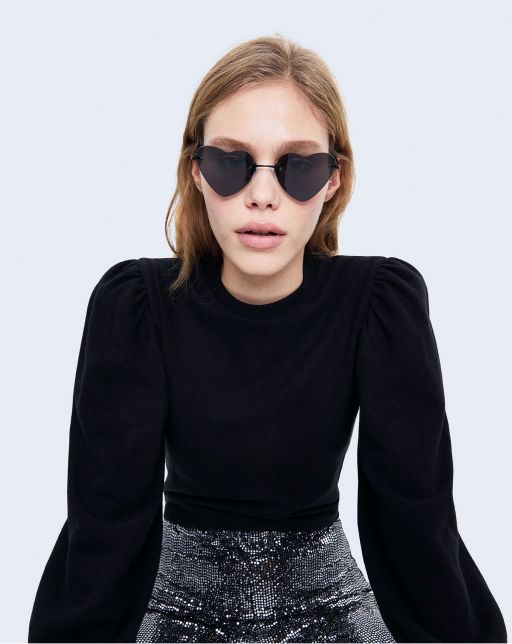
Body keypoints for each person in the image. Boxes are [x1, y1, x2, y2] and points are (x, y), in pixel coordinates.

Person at [28, 35, 507, 643]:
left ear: (333, 180)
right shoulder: (138, 306)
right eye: (231, 162)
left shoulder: (380, 304)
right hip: (171, 599)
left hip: (330, 602)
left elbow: (413, 510)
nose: (262, 195)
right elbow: (107, 515)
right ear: (196, 170)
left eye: (298, 166)